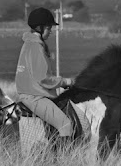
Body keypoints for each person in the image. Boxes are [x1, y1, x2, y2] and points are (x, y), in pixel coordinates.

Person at [15, 8, 77, 143]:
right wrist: (66, 82)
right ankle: (64, 160)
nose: (51, 32)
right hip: (35, 97)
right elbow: (43, 78)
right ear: (40, 28)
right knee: (65, 125)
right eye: (49, 28)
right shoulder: (36, 46)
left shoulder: (29, 43)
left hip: (31, 94)